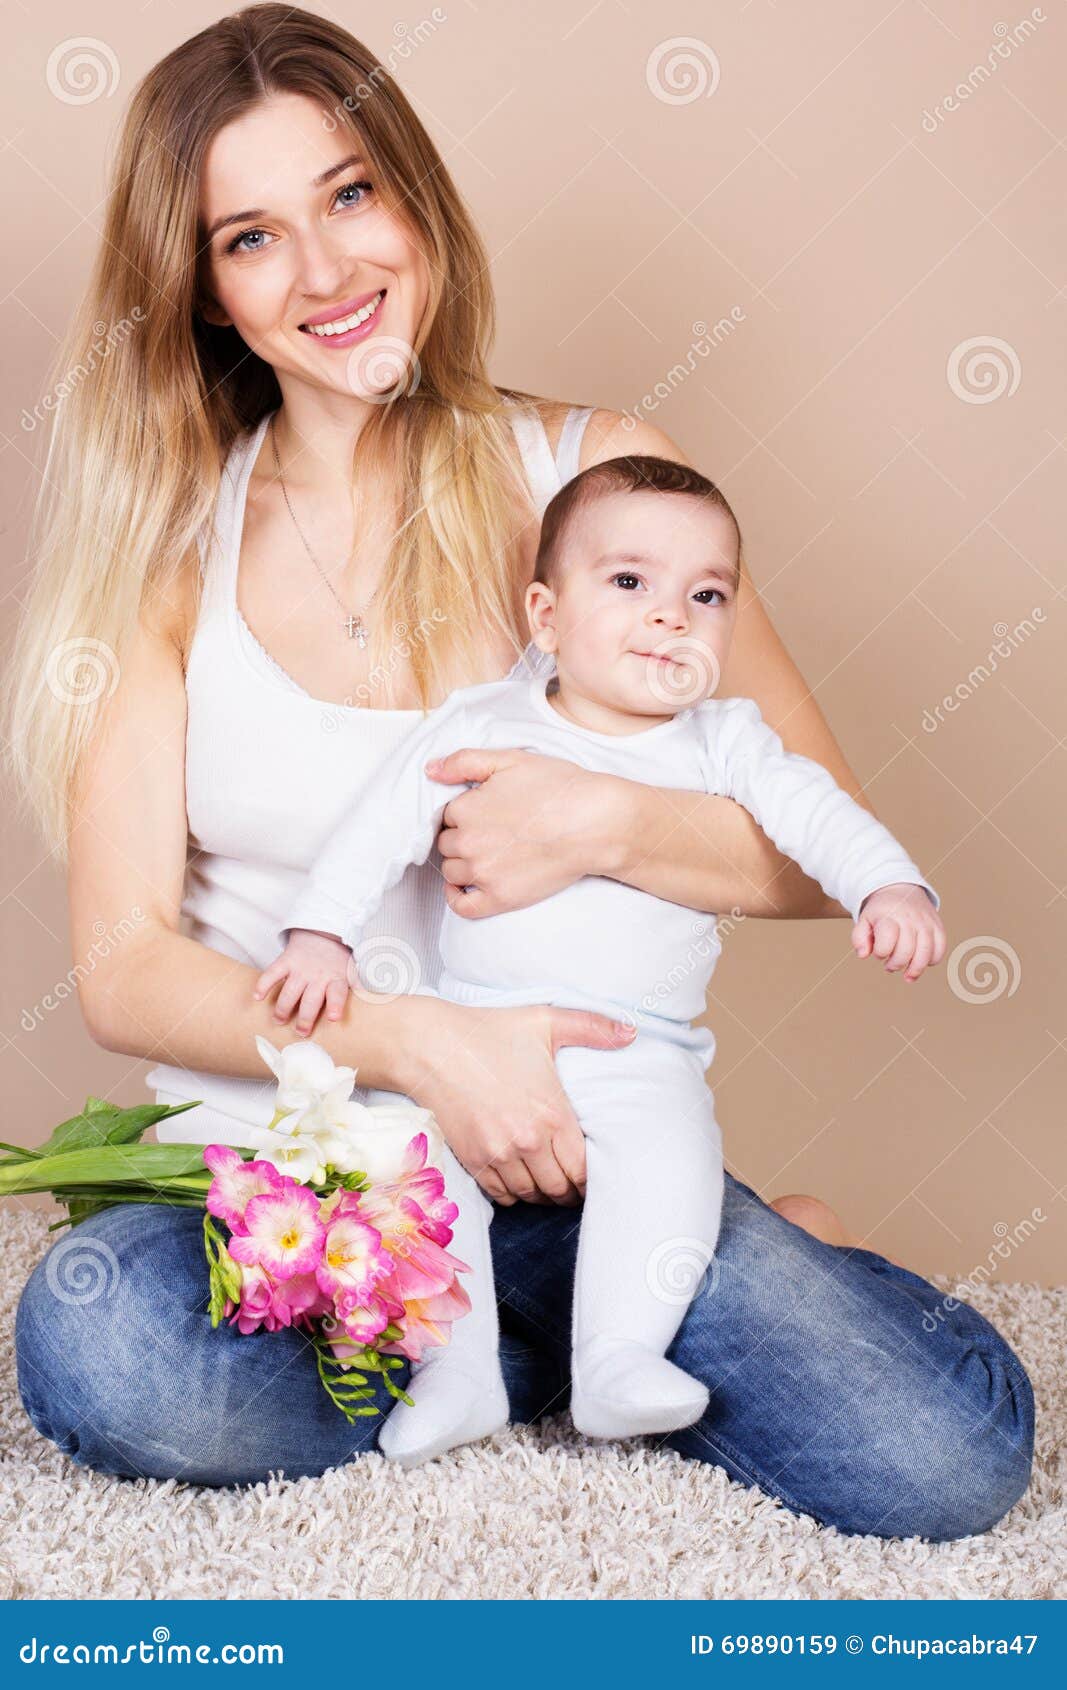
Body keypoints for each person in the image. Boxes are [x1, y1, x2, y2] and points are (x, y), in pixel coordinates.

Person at [4, 5, 1033, 1538]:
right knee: (114, 1349)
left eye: (351, 195)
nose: (330, 272)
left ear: (414, 198)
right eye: (252, 238)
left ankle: (571, 1315)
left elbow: (815, 841)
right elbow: (124, 965)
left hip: (586, 1149)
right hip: (325, 1179)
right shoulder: (169, 556)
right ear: (206, 293)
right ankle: (573, 1341)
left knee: (943, 1461)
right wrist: (417, 1043)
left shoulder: (597, 480)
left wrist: (606, 818)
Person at [256, 454, 944, 1468]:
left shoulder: (723, 743)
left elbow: (819, 815)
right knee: (406, 1180)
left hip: (640, 1052)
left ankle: (619, 1359)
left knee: (671, 1172)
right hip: (474, 1044)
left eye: (703, 596)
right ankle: (459, 1374)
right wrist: (320, 933)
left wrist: (890, 887)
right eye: (628, 583)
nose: (668, 616)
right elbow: (375, 830)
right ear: (544, 613)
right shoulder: (484, 722)